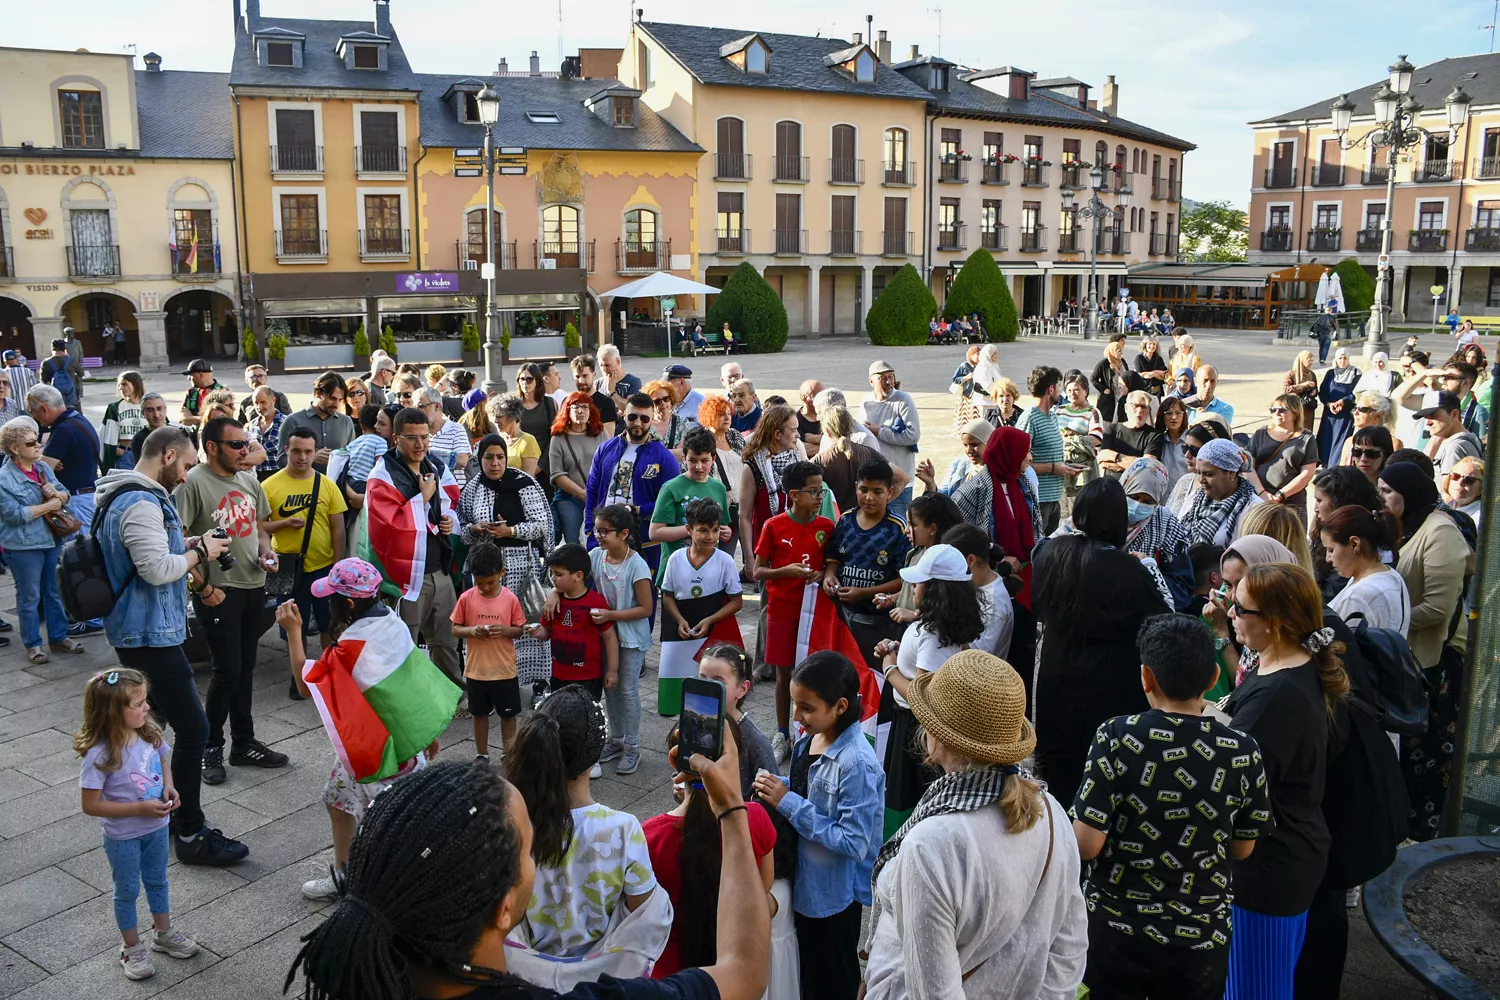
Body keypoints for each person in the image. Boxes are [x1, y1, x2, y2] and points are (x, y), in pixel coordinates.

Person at [865, 648, 1086, 1000]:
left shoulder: (931, 844)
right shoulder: (1053, 813)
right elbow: (1070, 945)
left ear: (937, 736)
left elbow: (934, 994)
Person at [1072, 614, 1270, 1000]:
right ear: (1214, 678)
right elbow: (1244, 847)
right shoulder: (1242, 750)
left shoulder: (1116, 736)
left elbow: (1087, 844)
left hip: (1115, 930)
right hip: (1200, 936)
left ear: (1146, 677)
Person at [94, 426, 248, 866]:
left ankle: (161, 813)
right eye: (184, 465)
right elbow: (157, 569)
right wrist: (199, 556)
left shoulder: (122, 495)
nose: (185, 476)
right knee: (195, 729)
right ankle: (192, 832)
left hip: (142, 631)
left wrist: (193, 543)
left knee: (153, 726)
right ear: (165, 455)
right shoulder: (139, 500)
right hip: (148, 635)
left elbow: (150, 552)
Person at [276, 560, 449, 902]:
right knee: (337, 799)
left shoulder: (351, 646)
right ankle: (345, 875)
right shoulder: (392, 622)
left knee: (394, 826)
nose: (329, 603)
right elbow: (413, 683)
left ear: (349, 604)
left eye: (333, 597)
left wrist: (294, 633)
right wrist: (427, 731)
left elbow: (305, 683)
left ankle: (399, 890)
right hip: (389, 743)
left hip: (382, 752)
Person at [1222, 563, 1350, 1000]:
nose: (1230, 613)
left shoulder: (1277, 697)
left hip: (1268, 871)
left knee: (1254, 991)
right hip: (1289, 858)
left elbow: (1232, 790)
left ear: (1274, 623)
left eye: (1240, 608)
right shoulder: (1287, 667)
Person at [501, 686, 665, 969]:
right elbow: (643, 912)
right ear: (595, 755)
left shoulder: (514, 823)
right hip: (604, 978)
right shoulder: (623, 830)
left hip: (528, 973)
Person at [752, 652, 883, 1000]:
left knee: (830, 980)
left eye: (806, 708)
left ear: (840, 706)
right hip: (804, 881)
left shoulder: (857, 763)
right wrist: (775, 785)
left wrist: (788, 802)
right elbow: (805, 786)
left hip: (830, 899)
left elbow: (854, 842)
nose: (796, 716)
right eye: (796, 705)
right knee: (807, 976)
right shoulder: (811, 735)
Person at [1032, 482, 1172, 808]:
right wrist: (1149, 568)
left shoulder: (1051, 553)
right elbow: (1162, 622)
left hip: (1058, 676)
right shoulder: (1129, 570)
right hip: (1110, 685)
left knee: (1061, 768)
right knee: (1104, 774)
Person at [175, 416, 288, 783]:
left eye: (246, 443)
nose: (246, 450)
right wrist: (202, 587)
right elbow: (176, 540)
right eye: (236, 445)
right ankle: (211, 748)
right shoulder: (192, 483)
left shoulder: (249, 481)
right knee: (226, 671)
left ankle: (243, 743)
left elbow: (258, 529)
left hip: (253, 584)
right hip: (218, 591)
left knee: (245, 668)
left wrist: (267, 553)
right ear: (212, 447)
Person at [74, 668, 201, 980]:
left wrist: (169, 787)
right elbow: (90, 805)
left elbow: (163, 762)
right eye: (140, 703)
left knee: (158, 881)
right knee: (127, 889)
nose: (147, 707)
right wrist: (140, 807)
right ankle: (131, 947)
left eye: (146, 700)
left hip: (156, 828)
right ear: (114, 711)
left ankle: (164, 932)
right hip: (123, 836)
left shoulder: (148, 733)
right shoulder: (100, 753)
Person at [644, 721, 778, 981]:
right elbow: (763, 890)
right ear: (733, 760)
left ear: (675, 762)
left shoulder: (648, 837)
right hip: (734, 978)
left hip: (668, 981)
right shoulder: (758, 819)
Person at [1381, 462, 1470, 841]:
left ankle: (1423, 835)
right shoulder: (1407, 526)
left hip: (1437, 663)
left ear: (1411, 494)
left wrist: (1386, 620)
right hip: (1410, 655)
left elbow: (1437, 609)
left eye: (1387, 491)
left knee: (1429, 754)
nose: (1380, 498)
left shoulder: (1442, 532)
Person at [872, 544, 985, 838]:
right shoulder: (930, 623)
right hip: (911, 725)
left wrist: (889, 669)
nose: (914, 586)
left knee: (905, 802)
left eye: (920, 582)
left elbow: (922, 696)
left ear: (936, 590)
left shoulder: (936, 636)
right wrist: (897, 649)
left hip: (916, 730)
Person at [459, 433, 554, 689]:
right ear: (480, 460)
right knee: (490, 623)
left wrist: (510, 531)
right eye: (488, 457)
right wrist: (476, 529)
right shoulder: (473, 487)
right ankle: (493, 682)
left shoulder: (524, 483)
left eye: (500, 457)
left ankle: (538, 684)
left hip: (522, 566)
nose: (495, 463)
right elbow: (462, 526)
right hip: (486, 570)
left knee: (526, 622)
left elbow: (541, 526)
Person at [754, 461, 835, 755]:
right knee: (784, 675)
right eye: (813, 491)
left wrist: (823, 575)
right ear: (793, 494)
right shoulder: (773, 526)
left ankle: (812, 733)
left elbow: (831, 566)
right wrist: (786, 571)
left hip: (815, 616)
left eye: (821, 491)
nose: (819, 497)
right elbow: (758, 572)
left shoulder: (827, 527)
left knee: (813, 674)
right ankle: (782, 733)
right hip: (782, 611)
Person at [822, 457, 910, 713]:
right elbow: (834, 557)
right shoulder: (846, 520)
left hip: (878, 621)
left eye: (877, 491)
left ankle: (875, 722)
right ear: (855, 487)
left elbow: (904, 579)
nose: (869, 497)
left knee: (873, 676)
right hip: (843, 617)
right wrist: (830, 575)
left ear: (890, 493)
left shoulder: (897, 530)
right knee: (844, 672)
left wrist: (865, 593)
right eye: (864, 489)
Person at [261, 426, 348, 661]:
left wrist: (337, 567)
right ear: (286, 450)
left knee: (329, 625)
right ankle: (299, 676)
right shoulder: (269, 486)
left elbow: (337, 528)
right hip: (286, 566)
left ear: (315, 451)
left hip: (323, 567)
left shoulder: (327, 484)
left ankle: (329, 668)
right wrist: (284, 524)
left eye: (308, 452)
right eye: (297, 451)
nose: (302, 457)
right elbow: (258, 526)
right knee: (292, 627)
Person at [585, 505, 655, 776]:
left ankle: (633, 747)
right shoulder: (596, 556)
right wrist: (555, 592)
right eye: (596, 530)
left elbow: (646, 609)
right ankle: (615, 740)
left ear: (624, 533)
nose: (598, 536)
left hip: (631, 638)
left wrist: (611, 614)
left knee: (627, 690)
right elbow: (573, 571)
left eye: (605, 531)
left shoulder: (636, 565)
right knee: (610, 688)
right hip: (607, 635)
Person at [657, 499, 743, 715]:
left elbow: (736, 602)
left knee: (707, 700)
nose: (710, 536)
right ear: (689, 529)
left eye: (715, 530)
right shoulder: (675, 558)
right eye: (703, 530)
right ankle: (678, 738)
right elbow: (667, 597)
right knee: (672, 700)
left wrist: (709, 620)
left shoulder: (725, 561)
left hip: (711, 634)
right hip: (677, 636)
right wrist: (679, 620)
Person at [0, 415, 75, 659]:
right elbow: (14, 515)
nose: (38, 446)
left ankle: (58, 637)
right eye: (32, 443)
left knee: (53, 591)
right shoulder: (4, 478)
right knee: (29, 596)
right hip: (23, 545)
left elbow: (64, 493)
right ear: (15, 449)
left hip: (50, 539)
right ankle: (33, 644)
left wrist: (58, 495)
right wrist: (50, 505)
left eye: (38, 441)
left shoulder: (42, 467)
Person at [585, 392, 681, 578]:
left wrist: (638, 509)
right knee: (603, 590)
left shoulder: (664, 458)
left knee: (643, 593)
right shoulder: (606, 449)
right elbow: (592, 491)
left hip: (644, 539)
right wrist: (590, 529)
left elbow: (670, 503)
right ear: (624, 415)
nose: (638, 423)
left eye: (644, 418)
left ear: (652, 419)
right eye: (632, 417)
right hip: (603, 535)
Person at [450, 541, 528, 760]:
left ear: (502, 573)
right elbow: (455, 629)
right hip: (477, 671)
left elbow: (519, 630)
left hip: (504, 670)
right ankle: (482, 753)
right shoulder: (467, 598)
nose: (484, 587)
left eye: (490, 582)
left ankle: (508, 753)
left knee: (508, 715)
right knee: (479, 714)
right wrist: (472, 630)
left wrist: (505, 630)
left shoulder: (510, 599)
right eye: (480, 583)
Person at [532, 543, 619, 703]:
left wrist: (612, 671)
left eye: (558, 574)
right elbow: (547, 632)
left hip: (589, 677)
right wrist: (538, 632)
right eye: (552, 573)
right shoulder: (553, 603)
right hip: (559, 676)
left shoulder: (596, 602)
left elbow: (610, 637)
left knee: (587, 719)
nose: (552, 578)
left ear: (578, 576)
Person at [652, 427, 731, 584]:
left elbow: (723, 526)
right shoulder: (671, 487)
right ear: (684, 458)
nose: (699, 467)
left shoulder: (719, 488)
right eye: (692, 460)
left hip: (709, 571)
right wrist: (692, 530)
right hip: (677, 570)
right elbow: (655, 533)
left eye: (704, 461)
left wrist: (725, 532)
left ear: (713, 458)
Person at [1322, 504, 1410, 634]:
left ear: (1354, 544)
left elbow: (1338, 648)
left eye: (1331, 550)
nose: (1327, 559)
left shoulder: (1359, 596)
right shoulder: (1392, 575)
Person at [1120, 456, 1194, 608]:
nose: (1138, 505)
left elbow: (1182, 586)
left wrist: (1148, 571)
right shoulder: (1103, 513)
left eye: (1148, 501)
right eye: (1134, 497)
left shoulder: (1166, 525)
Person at [1018, 365, 1083, 533]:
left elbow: (1049, 456)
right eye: (1060, 386)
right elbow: (1018, 465)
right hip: (1037, 501)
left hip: (1054, 499)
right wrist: (1054, 468)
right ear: (1051, 389)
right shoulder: (1029, 419)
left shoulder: (1053, 416)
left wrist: (1067, 467)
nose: (1061, 392)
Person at [738, 404, 804, 567]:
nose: (798, 435)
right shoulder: (753, 467)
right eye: (793, 430)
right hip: (767, 552)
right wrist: (749, 558)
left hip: (798, 546)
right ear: (777, 434)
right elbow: (745, 516)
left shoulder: (798, 462)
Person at [1310, 466, 1385, 601]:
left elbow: (1329, 596)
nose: (1315, 508)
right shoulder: (1323, 531)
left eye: (1319, 500)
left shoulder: (1351, 549)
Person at [861, 359, 921, 523]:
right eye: (882, 378)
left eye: (891, 377)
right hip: (876, 482)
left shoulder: (903, 400)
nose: (888, 382)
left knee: (899, 529)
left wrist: (880, 431)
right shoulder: (866, 403)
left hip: (900, 482)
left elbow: (913, 435)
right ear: (871, 380)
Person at [1249, 394, 1320, 527]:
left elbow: (1307, 473)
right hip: (1260, 500)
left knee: (1292, 543)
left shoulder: (1306, 438)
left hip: (1292, 502)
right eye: (1273, 410)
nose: (1276, 413)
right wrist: (1263, 493)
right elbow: (1248, 467)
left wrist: (1281, 495)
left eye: (1282, 410)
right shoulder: (1260, 433)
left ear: (1295, 413)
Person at [1179, 437, 1264, 547]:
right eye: (1199, 473)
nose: (1201, 480)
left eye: (1209, 474)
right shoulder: (1195, 498)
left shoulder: (1253, 509)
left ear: (1232, 473)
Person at [549, 392, 607, 547]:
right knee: (573, 542)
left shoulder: (600, 433)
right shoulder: (558, 438)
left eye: (584, 407)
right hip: (569, 498)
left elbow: (611, 463)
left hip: (598, 497)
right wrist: (582, 494)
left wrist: (594, 494)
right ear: (567, 411)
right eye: (575, 407)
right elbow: (557, 474)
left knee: (601, 538)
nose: (580, 411)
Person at [814, 403, 892, 514]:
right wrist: (880, 503)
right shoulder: (869, 453)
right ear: (851, 427)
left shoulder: (820, 460)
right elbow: (902, 478)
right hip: (861, 520)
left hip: (833, 521)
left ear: (828, 432)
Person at [280, 371, 355, 474]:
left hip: (336, 488)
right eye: (332, 398)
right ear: (317, 394)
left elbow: (353, 459)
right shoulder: (293, 421)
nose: (336, 404)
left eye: (340, 400)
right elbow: (281, 461)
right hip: (303, 487)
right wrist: (311, 457)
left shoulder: (346, 422)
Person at [916, 417, 992, 497]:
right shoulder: (960, 464)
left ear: (989, 442)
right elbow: (945, 497)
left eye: (974, 445)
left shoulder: (996, 472)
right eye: (965, 445)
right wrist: (930, 483)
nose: (969, 450)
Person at [1418, 390, 1483, 482]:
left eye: (1433, 415)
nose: (1428, 422)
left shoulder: (1456, 446)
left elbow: (1450, 493)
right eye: (1425, 417)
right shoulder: (1467, 439)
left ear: (1454, 414)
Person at [1096, 390, 1164, 476]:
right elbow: (1102, 461)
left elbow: (1146, 467)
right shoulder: (1112, 429)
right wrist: (1136, 464)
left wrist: (1115, 457)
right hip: (1111, 485)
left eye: (1144, 407)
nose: (1139, 411)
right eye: (1135, 406)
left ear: (1149, 411)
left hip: (1137, 486)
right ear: (1126, 408)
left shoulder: (1154, 435)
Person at [512, 362, 558, 484]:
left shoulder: (549, 404)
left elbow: (555, 437)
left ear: (537, 381)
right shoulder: (513, 405)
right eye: (522, 379)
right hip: (518, 467)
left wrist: (539, 467)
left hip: (545, 468)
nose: (525, 383)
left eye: (529, 379)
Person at [1315, 348, 1361, 468]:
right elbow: (1323, 392)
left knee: (1341, 440)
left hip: (1346, 415)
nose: (1342, 361)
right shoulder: (1331, 373)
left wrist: (1342, 402)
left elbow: (1357, 392)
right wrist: (1329, 404)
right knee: (1327, 439)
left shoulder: (1356, 373)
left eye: (1345, 358)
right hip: (1330, 414)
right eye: (1340, 358)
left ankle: (1335, 466)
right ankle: (1325, 464)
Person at [417, 386, 471, 478]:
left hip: (450, 488)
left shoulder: (456, 429)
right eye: (415, 408)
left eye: (421, 406)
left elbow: (462, 461)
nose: (418, 411)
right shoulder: (417, 431)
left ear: (437, 406)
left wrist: (426, 455)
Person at [99, 371, 147, 473]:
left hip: (145, 455)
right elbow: (105, 433)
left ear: (135, 384)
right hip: (125, 454)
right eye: (119, 385)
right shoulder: (115, 407)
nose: (120, 388)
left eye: (124, 384)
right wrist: (113, 449)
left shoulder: (149, 405)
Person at [1090, 332, 1144, 422]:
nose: (1120, 354)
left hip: (1122, 395)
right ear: (1112, 351)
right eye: (1118, 351)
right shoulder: (1104, 363)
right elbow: (1093, 378)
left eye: (1121, 351)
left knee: (1121, 418)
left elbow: (1126, 375)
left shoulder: (1122, 361)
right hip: (1109, 397)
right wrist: (1103, 389)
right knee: (1108, 421)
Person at [244, 385, 286, 479]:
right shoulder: (252, 425)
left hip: (278, 474)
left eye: (263, 402)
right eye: (256, 403)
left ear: (273, 400)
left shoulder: (286, 423)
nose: (259, 407)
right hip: (256, 475)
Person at [643, 378, 692, 454]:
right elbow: (644, 453)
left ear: (671, 399)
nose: (663, 403)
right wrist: (674, 452)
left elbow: (684, 453)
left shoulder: (682, 422)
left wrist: (657, 453)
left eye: (666, 399)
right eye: (657, 401)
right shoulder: (644, 425)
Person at [570, 353, 619, 428]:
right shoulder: (570, 402)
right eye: (577, 377)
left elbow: (608, 437)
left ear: (594, 374)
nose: (581, 381)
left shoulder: (606, 403)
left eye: (585, 376)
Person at [177, 358, 219, 430]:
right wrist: (206, 419)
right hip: (195, 435)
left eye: (191, 375)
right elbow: (182, 419)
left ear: (200, 375)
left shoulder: (222, 392)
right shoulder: (190, 392)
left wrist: (192, 418)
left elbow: (222, 420)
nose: (189, 378)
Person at [41, 337, 84, 408]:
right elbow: (81, 373)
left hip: (54, 398)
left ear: (52, 349)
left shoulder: (46, 363)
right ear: (64, 348)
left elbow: (43, 382)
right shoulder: (71, 360)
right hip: (72, 396)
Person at [1444, 455, 1484, 526]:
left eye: (1469, 480)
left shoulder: (1481, 519)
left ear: (1481, 488)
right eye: (1455, 476)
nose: (1460, 482)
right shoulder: (1443, 506)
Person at [1284, 349, 1321, 416]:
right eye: (1309, 361)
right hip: (1295, 408)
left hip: (1308, 409)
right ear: (1302, 361)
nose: (1311, 363)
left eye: (1312, 361)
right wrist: (1302, 385)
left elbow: (1316, 389)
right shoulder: (1291, 374)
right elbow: (1286, 389)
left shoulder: (1312, 374)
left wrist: (1315, 391)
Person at [1134, 333, 1169, 398]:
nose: (1152, 346)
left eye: (1154, 344)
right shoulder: (1139, 358)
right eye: (1150, 344)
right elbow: (1139, 375)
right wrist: (1156, 372)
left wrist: (1153, 374)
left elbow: (1163, 375)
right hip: (1144, 390)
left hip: (1157, 391)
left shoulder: (1158, 358)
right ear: (1145, 345)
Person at [796, 378, 824, 450]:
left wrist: (813, 438)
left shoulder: (829, 416)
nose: (823, 400)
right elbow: (801, 449)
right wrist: (828, 443)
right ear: (805, 398)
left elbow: (842, 440)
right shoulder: (795, 420)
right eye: (818, 396)